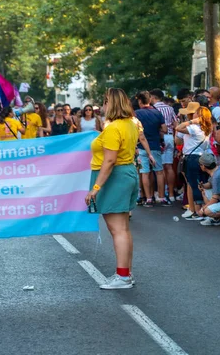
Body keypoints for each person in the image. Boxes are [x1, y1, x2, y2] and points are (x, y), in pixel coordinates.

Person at [85, 88, 139, 290]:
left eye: (105, 101)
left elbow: (109, 160)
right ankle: (126, 273)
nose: (103, 106)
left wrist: (95, 188)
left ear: (111, 103)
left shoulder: (113, 128)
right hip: (126, 173)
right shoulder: (130, 124)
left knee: (117, 230)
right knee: (123, 229)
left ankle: (123, 276)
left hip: (114, 177)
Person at [176, 103, 212, 220]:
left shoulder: (195, 127)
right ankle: (202, 209)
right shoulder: (206, 128)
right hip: (201, 157)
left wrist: (192, 121)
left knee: (193, 184)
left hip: (192, 158)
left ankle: (197, 210)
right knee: (201, 183)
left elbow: (178, 128)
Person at [135, 91, 169, 207]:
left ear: (140, 101)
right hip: (155, 145)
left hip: (141, 146)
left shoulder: (136, 114)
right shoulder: (157, 113)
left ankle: (148, 198)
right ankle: (162, 197)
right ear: (149, 100)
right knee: (159, 171)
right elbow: (164, 129)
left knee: (144, 172)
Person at [150, 89, 178, 202]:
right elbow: (176, 123)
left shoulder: (153, 109)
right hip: (170, 137)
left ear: (153, 97)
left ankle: (161, 194)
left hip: (159, 138)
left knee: (159, 168)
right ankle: (171, 193)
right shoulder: (170, 108)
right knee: (169, 166)